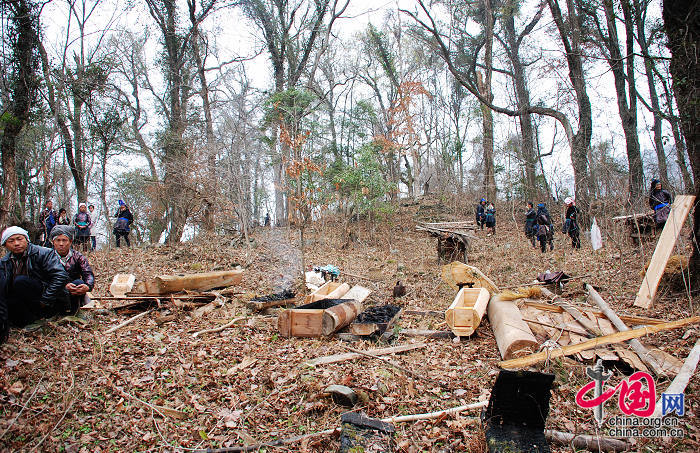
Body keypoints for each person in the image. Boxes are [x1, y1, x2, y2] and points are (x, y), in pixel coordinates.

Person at [0, 226, 69, 343]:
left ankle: (42, 315)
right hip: (23, 300)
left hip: (48, 299)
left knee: (20, 281)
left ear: (27, 240)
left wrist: (45, 300)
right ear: (5, 245)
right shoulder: (4, 262)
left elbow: (60, 276)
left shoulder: (44, 253)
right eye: (11, 241)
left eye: (19, 239)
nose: (16, 243)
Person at [50, 225, 94, 313]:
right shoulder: (47, 256)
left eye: (64, 240)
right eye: (58, 240)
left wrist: (88, 286)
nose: (61, 244)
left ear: (70, 242)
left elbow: (88, 273)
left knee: (78, 283)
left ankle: (74, 311)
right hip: (54, 291)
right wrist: (63, 286)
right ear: (53, 242)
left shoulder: (78, 256)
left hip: (73, 291)